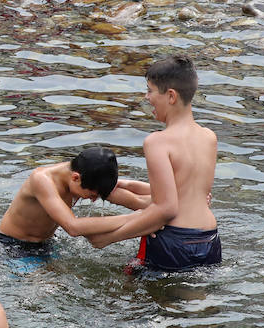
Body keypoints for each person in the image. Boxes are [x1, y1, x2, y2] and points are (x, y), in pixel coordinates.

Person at [75, 55, 222, 272]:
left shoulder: (157, 142)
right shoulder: (209, 137)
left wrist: (110, 238)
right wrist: (125, 185)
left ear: (170, 96)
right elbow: (187, 194)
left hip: (176, 241)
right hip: (210, 240)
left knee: (145, 298)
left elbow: (166, 208)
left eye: (150, 90)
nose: (147, 97)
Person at [0, 146, 150, 250]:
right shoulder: (42, 180)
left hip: (47, 244)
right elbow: (73, 227)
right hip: (13, 246)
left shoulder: (88, 178)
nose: (93, 200)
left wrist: (159, 208)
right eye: (91, 195)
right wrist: (134, 218)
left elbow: (135, 197)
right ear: (76, 178)